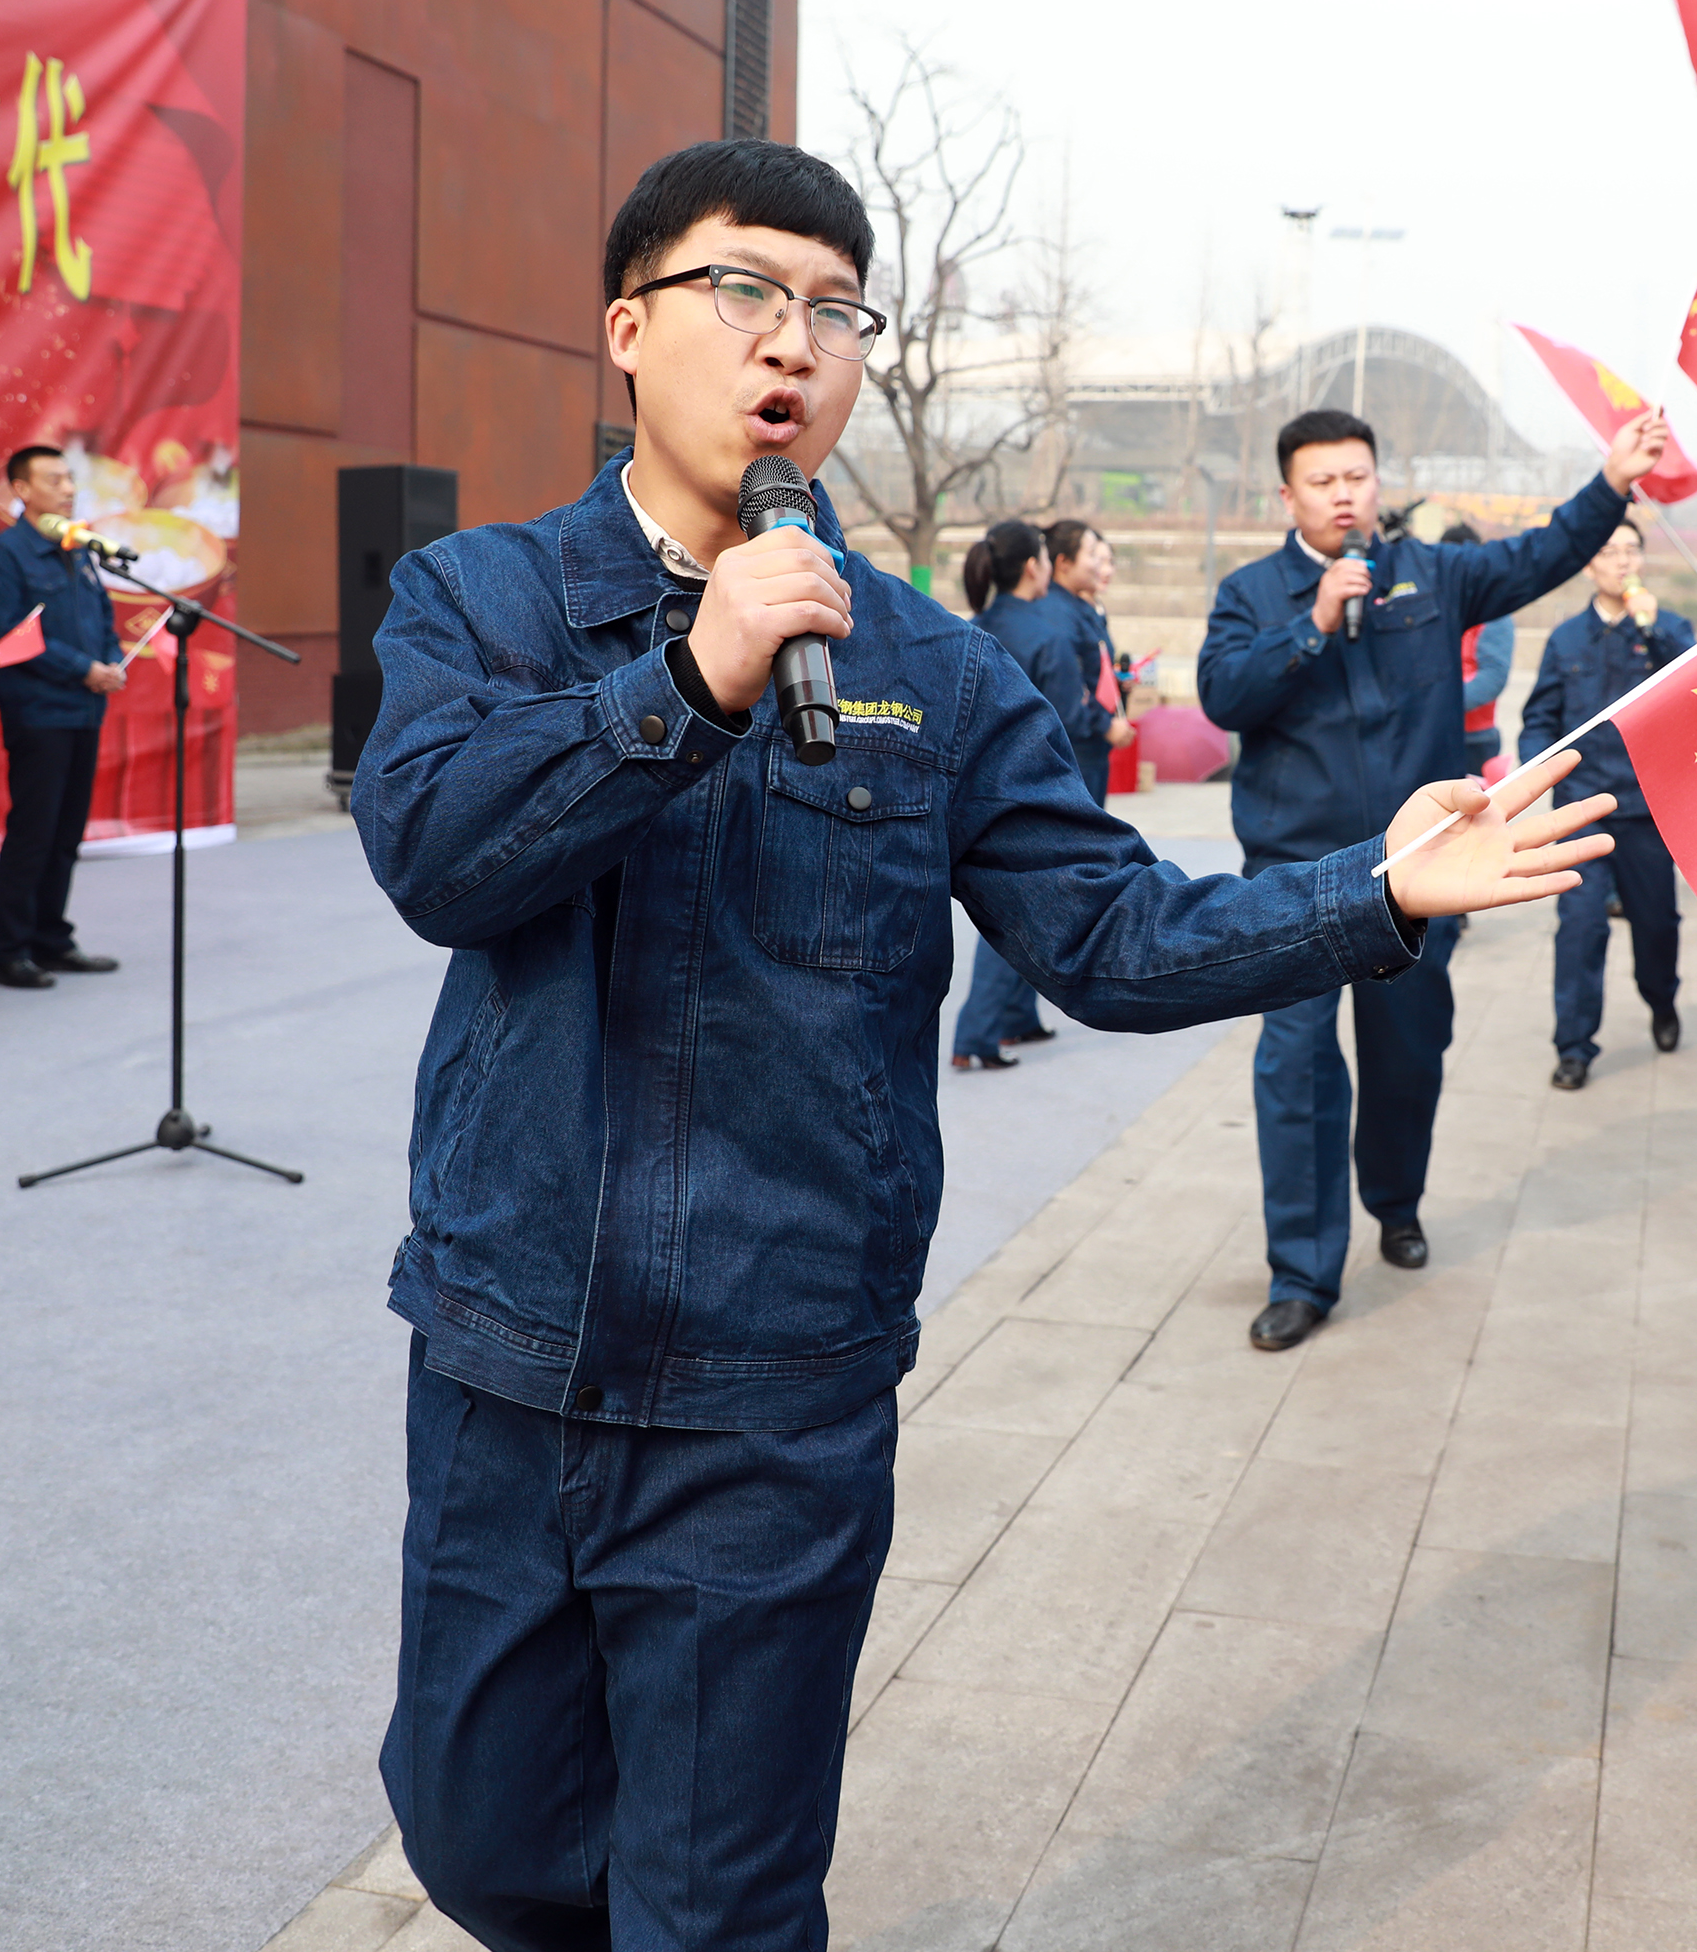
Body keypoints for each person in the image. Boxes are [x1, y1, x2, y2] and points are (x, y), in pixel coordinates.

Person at [350, 138, 1615, 1952]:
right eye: (739, 292)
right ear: (627, 329)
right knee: (482, 1846)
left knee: (712, 1906)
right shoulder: (482, 601)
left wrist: (1374, 891)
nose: (789, 341)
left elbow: (1110, 928)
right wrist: (683, 682)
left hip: (769, 1397)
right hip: (503, 1356)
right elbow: (439, 854)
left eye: (831, 310)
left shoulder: (933, 672)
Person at [1197, 399, 1669, 1352]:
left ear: (1377, 482)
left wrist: (1612, 481)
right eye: (1322, 481)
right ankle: (1302, 1271)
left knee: (1409, 1054)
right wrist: (1314, 624)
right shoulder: (1252, 594)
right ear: (1287, 493)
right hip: (1293, 879)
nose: (1343, 495)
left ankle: (1396, 1202)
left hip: (1418, 877)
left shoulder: (1436, 575)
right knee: (1294, 1068)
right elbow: (1224, 696)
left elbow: (1541, 555)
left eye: (1357, 477)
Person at [1517, 521, 1696, 1088]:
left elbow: (1694, 695)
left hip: (1646, 813)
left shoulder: (1669, 630)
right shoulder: (1566, 639)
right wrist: (1535, 770)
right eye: (1608, 550)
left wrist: (1654, 630)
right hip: (1581, 810)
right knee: (1580, 929)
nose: (1621, 561)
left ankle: (1661, 999)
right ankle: (1574, 1046)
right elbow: (1539, 719)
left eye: (1630, 550)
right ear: (1588, 565)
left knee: (1656, 926)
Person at [0, 447, 127, 990]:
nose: (66, 487)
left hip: (85, 708)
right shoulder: (5, 555)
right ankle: (8, 950)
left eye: (69, 478)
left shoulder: (77, 550)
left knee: (66, 831)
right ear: (21, 489)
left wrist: (108, 660)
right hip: (38, 711)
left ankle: (51, 939)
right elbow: (9, 636)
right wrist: (83, 667)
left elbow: (103, 615)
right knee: (34, 831)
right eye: (53, 479)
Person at [949, 519, 1082, 1068]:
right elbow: (1068, 722)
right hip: (1030, 796)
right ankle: (975, 1035)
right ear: (1034, 567)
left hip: (969, 790)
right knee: (1018, 915)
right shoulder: (1050, 635)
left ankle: (1015, 1020)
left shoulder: (973, 628)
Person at [1039, 515, 1133, 803]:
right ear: (1064, 563)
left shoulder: (1080, 607)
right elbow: (1069, 685)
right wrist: (1105, 725)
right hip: (1075, 748)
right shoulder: (1057, 614)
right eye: (1092, 555)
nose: (1100, 565)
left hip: (1090, 747)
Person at [1442, 523, 1514, 776]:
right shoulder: (1433, 608)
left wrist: (1438, 703)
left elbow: (1493, 677)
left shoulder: (1494, 613)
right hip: (1429, 735)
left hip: (1473, 740)